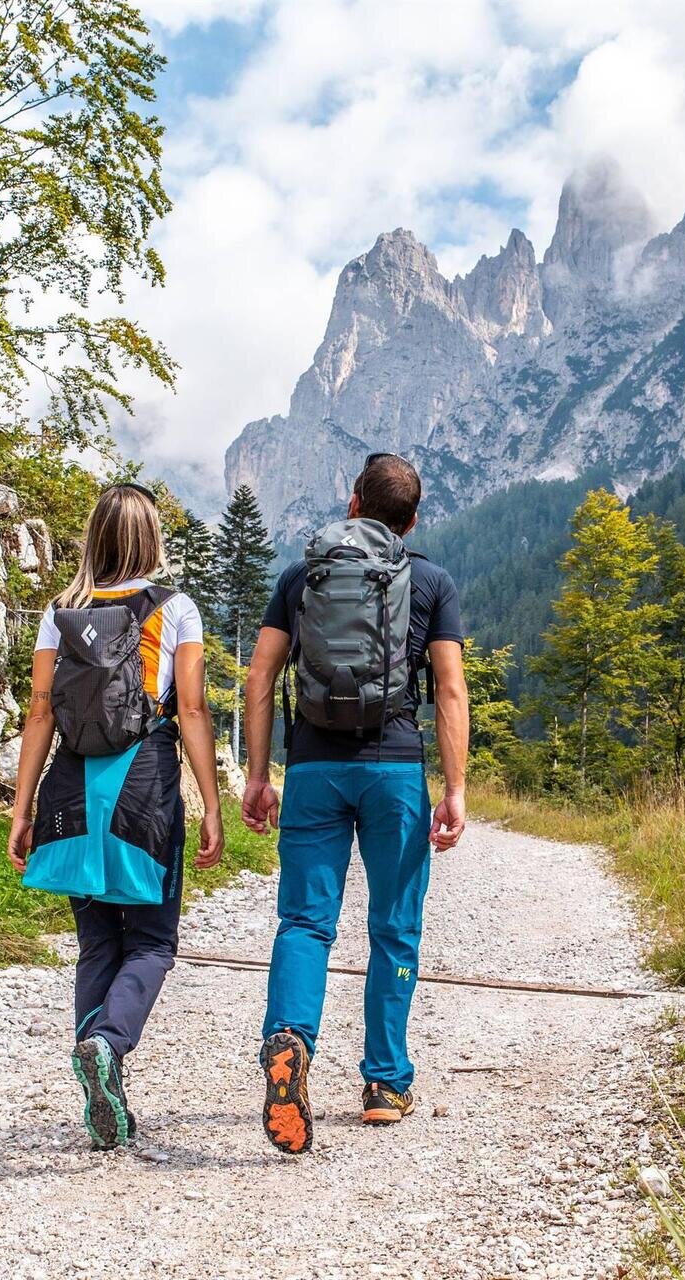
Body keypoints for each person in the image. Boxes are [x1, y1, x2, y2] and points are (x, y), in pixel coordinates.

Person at [241, 452, 469, 1155]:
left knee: (306, 921)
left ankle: (289, 1038)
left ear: (352, 503)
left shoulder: (300, 576)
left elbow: (259, 676)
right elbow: (452, 691)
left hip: (312, 769)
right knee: (393, 927)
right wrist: (456, 789)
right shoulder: (430, 580)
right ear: (412, 519)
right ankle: (384, 1083)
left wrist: (257, 773)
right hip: (394, 772)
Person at [6, 482, 224, 1150]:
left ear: (94, 537)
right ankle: (106, 1043)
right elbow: (189, 709)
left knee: (99, 941)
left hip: (71, 786)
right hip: (144, 785)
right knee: (153, 941)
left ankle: (100, 1076)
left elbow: (40, 712)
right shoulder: (175, 609)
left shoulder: (59, 612)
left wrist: (23, 809)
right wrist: (211, 801)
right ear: (152, 538)